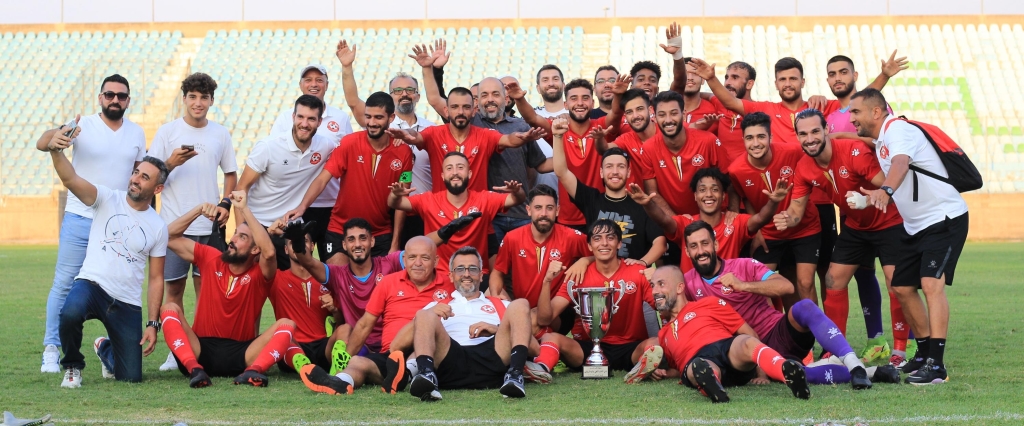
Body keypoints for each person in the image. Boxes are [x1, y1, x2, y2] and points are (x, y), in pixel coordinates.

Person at [678, 221, 902, 390]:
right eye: (694, 246)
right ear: (687, 252)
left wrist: (743, 285)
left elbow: (785, 286)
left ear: (715, 244)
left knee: (805, 306)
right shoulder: (687, 283)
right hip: (745, 354)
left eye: (705, 243)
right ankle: (872, 372)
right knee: (797, 374)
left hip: (778, 334)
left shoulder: (743, 265)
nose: (701, 251)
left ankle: (854, 364)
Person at [850, 88, 970, 385]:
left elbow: (901, 164)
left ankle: (936, 365)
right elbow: (901, 177)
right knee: (902, 287)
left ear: (876, 112)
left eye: (855, 112)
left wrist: (885, 191)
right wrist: (870, 199)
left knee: (931, 284)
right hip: (915, 226)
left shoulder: (898, 130)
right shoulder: (882, 141)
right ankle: (924, 353)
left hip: (944, 219)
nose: (851, 118)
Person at [777, 108, 911, 365]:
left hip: (889, 222)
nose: (810, 139)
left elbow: (889, 186)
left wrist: (867, 199)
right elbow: (795, 211)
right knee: (833, 279)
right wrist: (787, 219)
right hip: (856, 227)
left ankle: (900, 352)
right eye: (803, 134)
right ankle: (835, 351)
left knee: (897, 283)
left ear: (826, 130)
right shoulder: (804, 167)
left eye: (815, 131)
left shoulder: (853, 151)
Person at [35, 74, 148, 374]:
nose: (115, 100)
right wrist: (54, 139)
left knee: (117, 288)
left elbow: (140, 178)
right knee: (64, 284)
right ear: (100, 98)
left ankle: (110, 348)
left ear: (128, 100)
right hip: (80, 218)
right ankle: (51, 348)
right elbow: (43, 141)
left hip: (116, 225)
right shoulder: (81, 124)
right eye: (109, 94)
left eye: (121, 96)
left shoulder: (136, 133)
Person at [46, 147, 168, 388]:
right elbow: (70, 179)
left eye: (144, 177)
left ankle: (105, 349)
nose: (135, 179)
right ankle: (72, 366)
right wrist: (56, 151)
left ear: (157, 189)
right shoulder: (107, 198)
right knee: (70, 312)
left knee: (130, 377)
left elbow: (156, 278)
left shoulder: (158, 226)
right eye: (136, 173)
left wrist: (153, 324)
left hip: (127, 301)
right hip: (91, 285)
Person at [148, 73, 238, 372]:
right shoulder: (168, 132)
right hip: (174, 231)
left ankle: (203, 350)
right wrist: (171, 163)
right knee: (173, 293)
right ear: (184, 99)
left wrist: (225, 204)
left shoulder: (220, 134)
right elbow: (151, 174)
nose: (198, 103)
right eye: (193, 97)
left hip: (209, 229)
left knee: (207, 296)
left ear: (211, 101)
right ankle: (176, 351)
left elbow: (230, 173)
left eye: (204, 97)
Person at [159, 192, 295, 388]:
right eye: (235, 233)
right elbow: (169, 236)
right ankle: (194, 370)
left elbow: (269, 252)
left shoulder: (260, 273)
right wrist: (198, 210)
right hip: (200, 350)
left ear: (254, 249)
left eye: (242, 237)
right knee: (169, 308)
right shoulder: (211, 257)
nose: (233, 239)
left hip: (241, 354)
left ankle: (253, 371)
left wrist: (243, 208)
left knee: (287, 325)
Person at [296, 237, 455, 394]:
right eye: (412, 257)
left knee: (422, 335)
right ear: (404, 259)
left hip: (429, 351)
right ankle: (339, 381)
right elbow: (365, 324)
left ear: (436, 261)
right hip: (392, 354)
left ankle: (406, 374)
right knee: (358, 362)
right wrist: (346, 358)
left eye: (425, 258)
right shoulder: (388, 282)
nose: (417, 263)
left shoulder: (450, 283)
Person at [648, 265, 810, 403]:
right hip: (697, 360)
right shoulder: (664, 334)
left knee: (746, 341)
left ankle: (786, 371)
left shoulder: (709, 303)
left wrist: (762, 374)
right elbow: (677, 369)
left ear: (679, 288)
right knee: (697, 367)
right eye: (652, 286)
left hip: (726, 348)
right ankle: (714, 387)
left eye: (661, 284)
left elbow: (750, 333)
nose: (655, 291)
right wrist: (662, 373)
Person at [394, 45, 544, 194]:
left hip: (495, 205)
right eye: (484, 95)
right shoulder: (440, 131)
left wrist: (524, 137)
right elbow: (432, 103)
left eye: (495, 94)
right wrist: (428, 68)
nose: (460, 112)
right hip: (444, 207)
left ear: (473, 110)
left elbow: (512, 141)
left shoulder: (495, 131)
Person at [284, 92, 413, 263]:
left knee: (381, 281)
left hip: (379, 233)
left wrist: (395, 243)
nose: (371, 123)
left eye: (378, 117)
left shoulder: (404, 153)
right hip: (340, 229)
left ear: (391, 118)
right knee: (337, 277)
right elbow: (323, 179)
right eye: (368, 116)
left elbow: (402, 202)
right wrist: (302, 207)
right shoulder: (349, 143)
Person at [536, 219, 656, 372]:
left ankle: (649, 368)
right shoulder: (578, 275)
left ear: (619, 244)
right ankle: (540, 369)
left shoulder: (637, 272)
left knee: (655, 342)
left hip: (631, 348)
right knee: (550, 338)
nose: (604, 243)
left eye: (610, 238)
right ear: (589, 246)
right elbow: (544, 319)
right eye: (597, 238)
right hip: (588, 349)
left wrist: (659, 281)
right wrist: (547, 281)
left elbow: (663, 309)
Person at [727, 112, 820, 305]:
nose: (755, 143)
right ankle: (773, 325)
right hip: (769, 234)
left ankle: (813, 325)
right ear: (743, 140)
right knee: (759, 286)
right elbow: (746, 198)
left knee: (805, 283)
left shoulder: (793, 152)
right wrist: (757, 230)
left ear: (771, 137)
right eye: (749, 138)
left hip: (805, 228)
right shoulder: (736, 170)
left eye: (761, 136)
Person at [509, 77, 626, 229]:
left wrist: (619, 95)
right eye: (574, 98)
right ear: (565, 104)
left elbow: (616, 114)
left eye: (585, 98)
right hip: (568, 218)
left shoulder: (601, 127)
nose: (580, 103)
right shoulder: (559, 128)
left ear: (592, 103)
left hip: (602, 214)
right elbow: (533, 118)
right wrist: (519, 99)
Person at [551, 117, 667, 265]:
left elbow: (660, 243)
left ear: (628, 172)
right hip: (601, 272)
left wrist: (642, 263)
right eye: (609, 166)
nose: (615, 172)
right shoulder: (591, 199)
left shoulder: (643, 204)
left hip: (633, 274)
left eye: (621, 166)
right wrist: (557, 136)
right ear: (601, 172)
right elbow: (562, 172)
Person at [627, 166, 787, 272]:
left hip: (727, 298)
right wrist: (647, 204)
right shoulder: (685, 224)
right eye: (702, 190)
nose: (709, 194)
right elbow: (663, 220)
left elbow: (760, 219)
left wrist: (773, 202)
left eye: (715, 189)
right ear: (695, 196)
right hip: (693, 302)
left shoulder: (736, 222)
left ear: (723, 196)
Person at [238, 94, 334, 270]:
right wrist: (242, 232)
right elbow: (241, 188)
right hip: (257, 224)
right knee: (248, 283)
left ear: (320, 122)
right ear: (293, 117)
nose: (304, 124)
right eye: (300, 117)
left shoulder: (325, 146)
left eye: (311, 119)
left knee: (295, 283)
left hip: (288, 228)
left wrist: (303, 207)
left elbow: (324, 178)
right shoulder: (268, 146)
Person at [269, 64, 353, 260]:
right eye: (308, 80)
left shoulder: (340, 118)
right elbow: (275, 157)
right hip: (295, 203)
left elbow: (348, 160)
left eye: (319, 80)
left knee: (335, 263)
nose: (313, 84)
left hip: (332, 203)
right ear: (301, 85)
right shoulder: (285, 119)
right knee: (296, 262)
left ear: (327, 85)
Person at [388, 152, 525, 269]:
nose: (455, 172)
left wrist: (517, 192)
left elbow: (516, 199)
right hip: (440, 275)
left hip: (475, 275)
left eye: (460, 167)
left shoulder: (485, 199)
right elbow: (395, 203)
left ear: (469, 173)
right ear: (442, 175)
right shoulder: (428, 200)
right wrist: (395, 195)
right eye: (449, 168)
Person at [469, 77, 555, 251]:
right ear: (477, 101)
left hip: (521, 213)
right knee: (494, 265)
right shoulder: (471, 124)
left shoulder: (521, 126)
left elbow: (540, 164)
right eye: (484, 95)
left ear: (506, 98)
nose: (490, 99)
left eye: (495, 94)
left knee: (524, 264)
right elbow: (439, 102)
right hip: (489, 215)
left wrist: (576, 157)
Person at [638, 90, 728, 221]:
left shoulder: (708, 141)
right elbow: (653, 193)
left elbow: (728, 181)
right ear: (654, 117)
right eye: (662, 115)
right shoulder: (648, 148)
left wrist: (731, 212)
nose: (668, 120)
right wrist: (678, 221)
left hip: (711, 221)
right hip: (673, 223)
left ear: (684, 114)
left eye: (674, 113)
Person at [266, 226, 341, 374]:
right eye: (292, 242)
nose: (298, 245)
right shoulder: (276, 279)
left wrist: (335, 310)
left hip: (322, 347)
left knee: (345, 330)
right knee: (281, 337)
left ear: (312, 246)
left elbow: (340, 322)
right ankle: (304, 367)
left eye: (303, 241)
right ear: (286, 249)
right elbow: (261, 255)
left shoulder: (327, 279)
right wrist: (269, 232)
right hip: (293, 345)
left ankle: (338, 372)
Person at [600, 89, 656, 189]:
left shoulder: (666, 133)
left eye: (639, 109)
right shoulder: (626, 139)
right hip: (641, 197)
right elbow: (604, 149)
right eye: (629, 112)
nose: (635, 116)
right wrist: (599, 138)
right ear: (625, 116)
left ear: (650, 110)